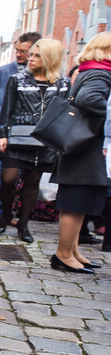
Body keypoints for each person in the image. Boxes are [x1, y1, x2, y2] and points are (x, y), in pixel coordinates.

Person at [0, 38, 70, 243]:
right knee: (8, 179)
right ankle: (5, 216)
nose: (31, 58)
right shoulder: (18, 80)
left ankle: (23, 224)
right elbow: (6, 110)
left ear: (49, 58)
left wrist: (61, 141)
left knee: (33, 180)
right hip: (18, 136)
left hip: (46, 140)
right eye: (32, 54)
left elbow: (65, 113)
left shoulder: (63, 83)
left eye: (37, 55)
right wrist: (2, 135)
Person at [50, 32, 111, 273]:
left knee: (78, 203)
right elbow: (88, 99)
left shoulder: (91, 69)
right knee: (76, 202)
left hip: (82, 146)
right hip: (85, 149)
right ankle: (64, 254)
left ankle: (72, 251)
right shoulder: (100, 72)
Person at [0, 32, 42, 230]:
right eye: (17, 50)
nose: (19, 54)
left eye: (24, 51)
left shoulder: (40, 75)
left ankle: (5, 213)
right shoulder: (5, 71)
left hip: (24, 136)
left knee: (15, 179)